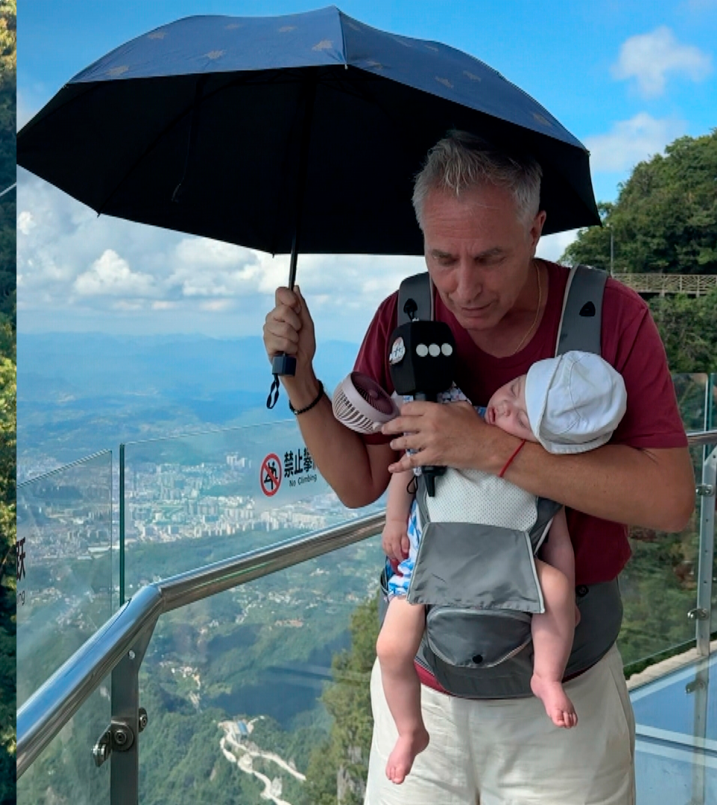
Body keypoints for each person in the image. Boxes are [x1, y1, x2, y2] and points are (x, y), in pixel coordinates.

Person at [263, 130, 692, 803]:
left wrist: (490, 448)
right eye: (443, 257)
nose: (464, 287)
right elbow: (358, 482)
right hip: (424, 700)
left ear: (536, 229)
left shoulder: (609, 319)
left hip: (564, 707)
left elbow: (669, 500)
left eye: (490, 257)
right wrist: (299, 377)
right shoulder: (405, 317)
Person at [373, 351, 626, 784]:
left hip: (511, 562)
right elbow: (409, 464)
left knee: (556, 588)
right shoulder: (456, 419)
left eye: (522, 419)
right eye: (513, 389)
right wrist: (395, 520)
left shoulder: (541, 469)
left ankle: (546, 676)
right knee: (391, 648)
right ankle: (410, 729)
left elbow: (557, 541)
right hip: (433, 562)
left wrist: (564, 599)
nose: (505, 407)